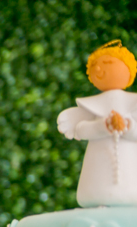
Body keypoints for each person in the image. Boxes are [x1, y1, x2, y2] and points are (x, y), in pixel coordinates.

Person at [58, 40, 137, 207]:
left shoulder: (133, 103)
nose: (100, 69)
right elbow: (81, 130)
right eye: (96, 65)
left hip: (129, 165)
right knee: (97, 186)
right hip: (98, 163)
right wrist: (104, 126)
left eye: (107, 63)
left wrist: (127, 126)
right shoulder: (92, 106)